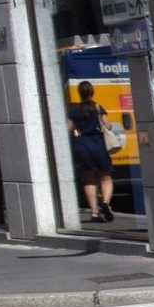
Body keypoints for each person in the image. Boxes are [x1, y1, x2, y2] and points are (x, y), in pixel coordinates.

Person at [66, 81, 113, 223]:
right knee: (105, 178)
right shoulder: (97, 108)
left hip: (82, 146)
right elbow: (108, 126)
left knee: (89, 179)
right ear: (92, 92)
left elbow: (67, 128)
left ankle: (94, 213)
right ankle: (105, 202)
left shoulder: (73, 110)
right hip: (98, 145)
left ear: (79, 93)